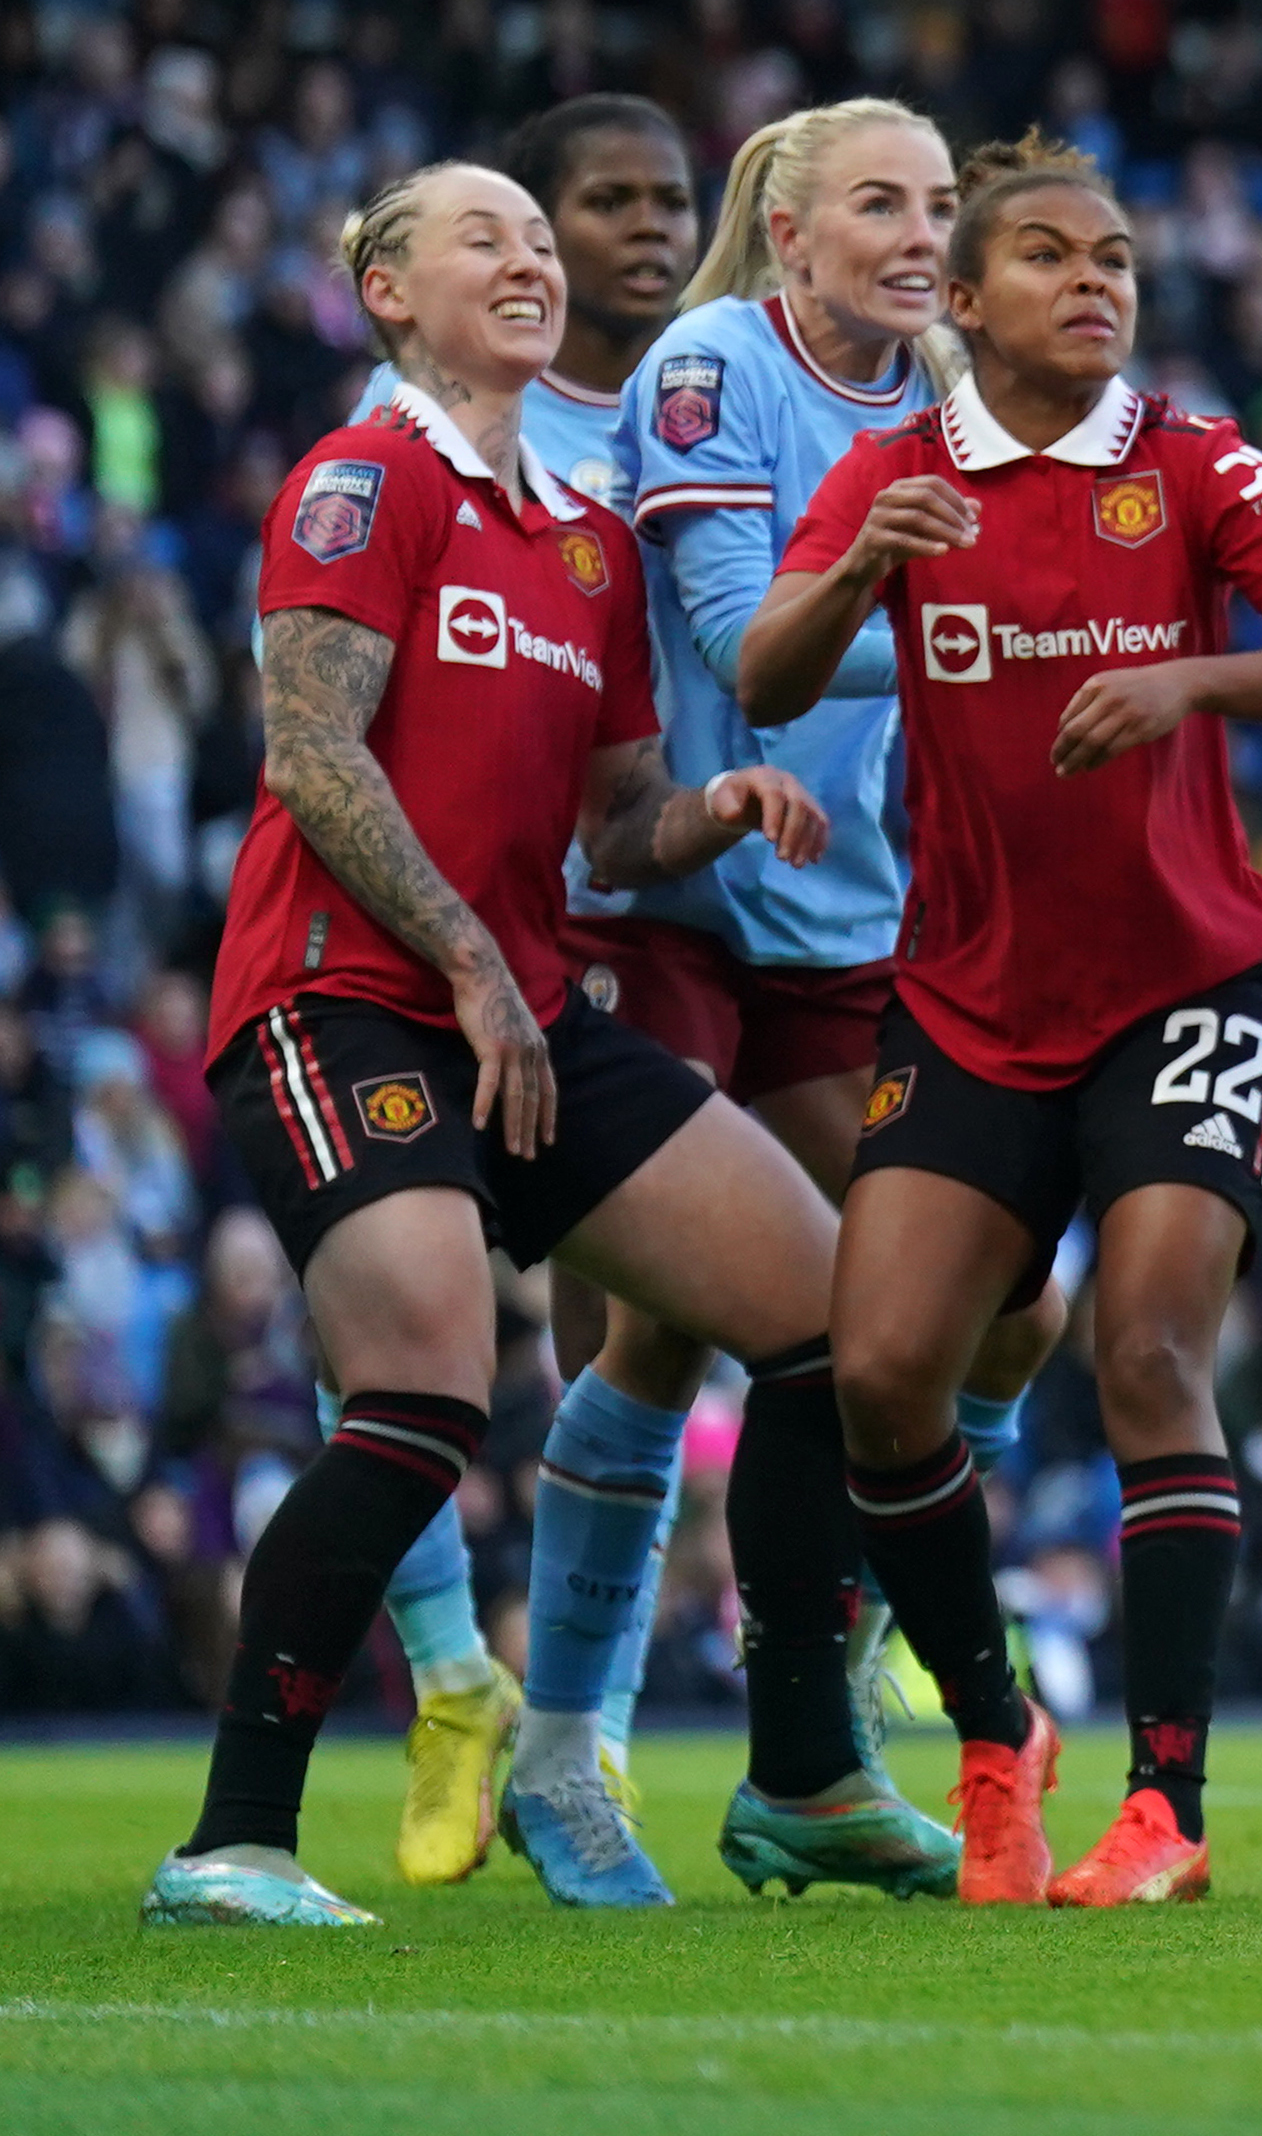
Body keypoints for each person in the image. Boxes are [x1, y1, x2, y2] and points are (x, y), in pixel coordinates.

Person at [150, 163, 934, 1929]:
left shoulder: (579, 535)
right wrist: (474, 967)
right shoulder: (362, 482)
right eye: (477, 237)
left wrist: (711, 808)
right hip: (344, 997)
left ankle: (802, 1768)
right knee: (427, 1385)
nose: (525, 260)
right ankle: (232, 1840)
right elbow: (311, 756)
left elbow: (616, 814)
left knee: (830, 1328)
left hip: (521, 1003)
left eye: (534, 240)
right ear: (385, 295)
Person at [746, 136, 1262, 1906]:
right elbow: (762, 677)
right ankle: (994, 1738)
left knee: (1145, 1350)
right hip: (968, 995)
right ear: (962, 305)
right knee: (888, 1370)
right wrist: (843, 570)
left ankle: (1168, 1808)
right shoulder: (896, 477)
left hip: (1189, 981)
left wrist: (1197, 673)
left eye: (1114, 255)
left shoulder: (1193, 459)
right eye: (1047, 255)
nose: (1096, 281)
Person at [490, 97, 1048, 1903]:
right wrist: (1026, 631)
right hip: (658, 889)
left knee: (992, 1320)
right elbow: (751, 645)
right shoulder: (714, 363)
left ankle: (847, 1635)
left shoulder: (972, 406)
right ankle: (572, 1754)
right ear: (789, 232)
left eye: (943, 203)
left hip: (845, 915)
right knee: (683, 1327)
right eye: (879, 202)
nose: (919, 231)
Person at [361, 91, 693, 1889]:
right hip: (425, 934)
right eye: (592, 203)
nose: (629, 234)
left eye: (660, 205)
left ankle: (590, 1733)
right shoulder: (417, 436)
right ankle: (449, 1675)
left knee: (645, 1330)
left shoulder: (704, 398)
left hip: (651, 918)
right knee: (389, 1314)